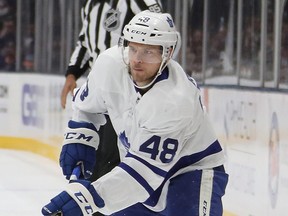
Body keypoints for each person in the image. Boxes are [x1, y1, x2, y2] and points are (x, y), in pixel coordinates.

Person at [42, 11, 229, 216]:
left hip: (191, 172)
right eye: (133, 49)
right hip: (141, 171)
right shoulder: (110, 65)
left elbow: (142, 175)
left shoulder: (175, 101)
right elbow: (87, 108)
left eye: (148, 52)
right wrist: (81, 139)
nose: (137, 60)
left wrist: (86, 199)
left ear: (168, 52)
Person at [60, 0, 163, 186]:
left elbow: (161, 40)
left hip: (127, 92)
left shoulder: (141, 2)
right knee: (90, 156)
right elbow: (84, 42)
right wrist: (72, 73)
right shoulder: (90, 4)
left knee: (111, 160)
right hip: (98, 92)